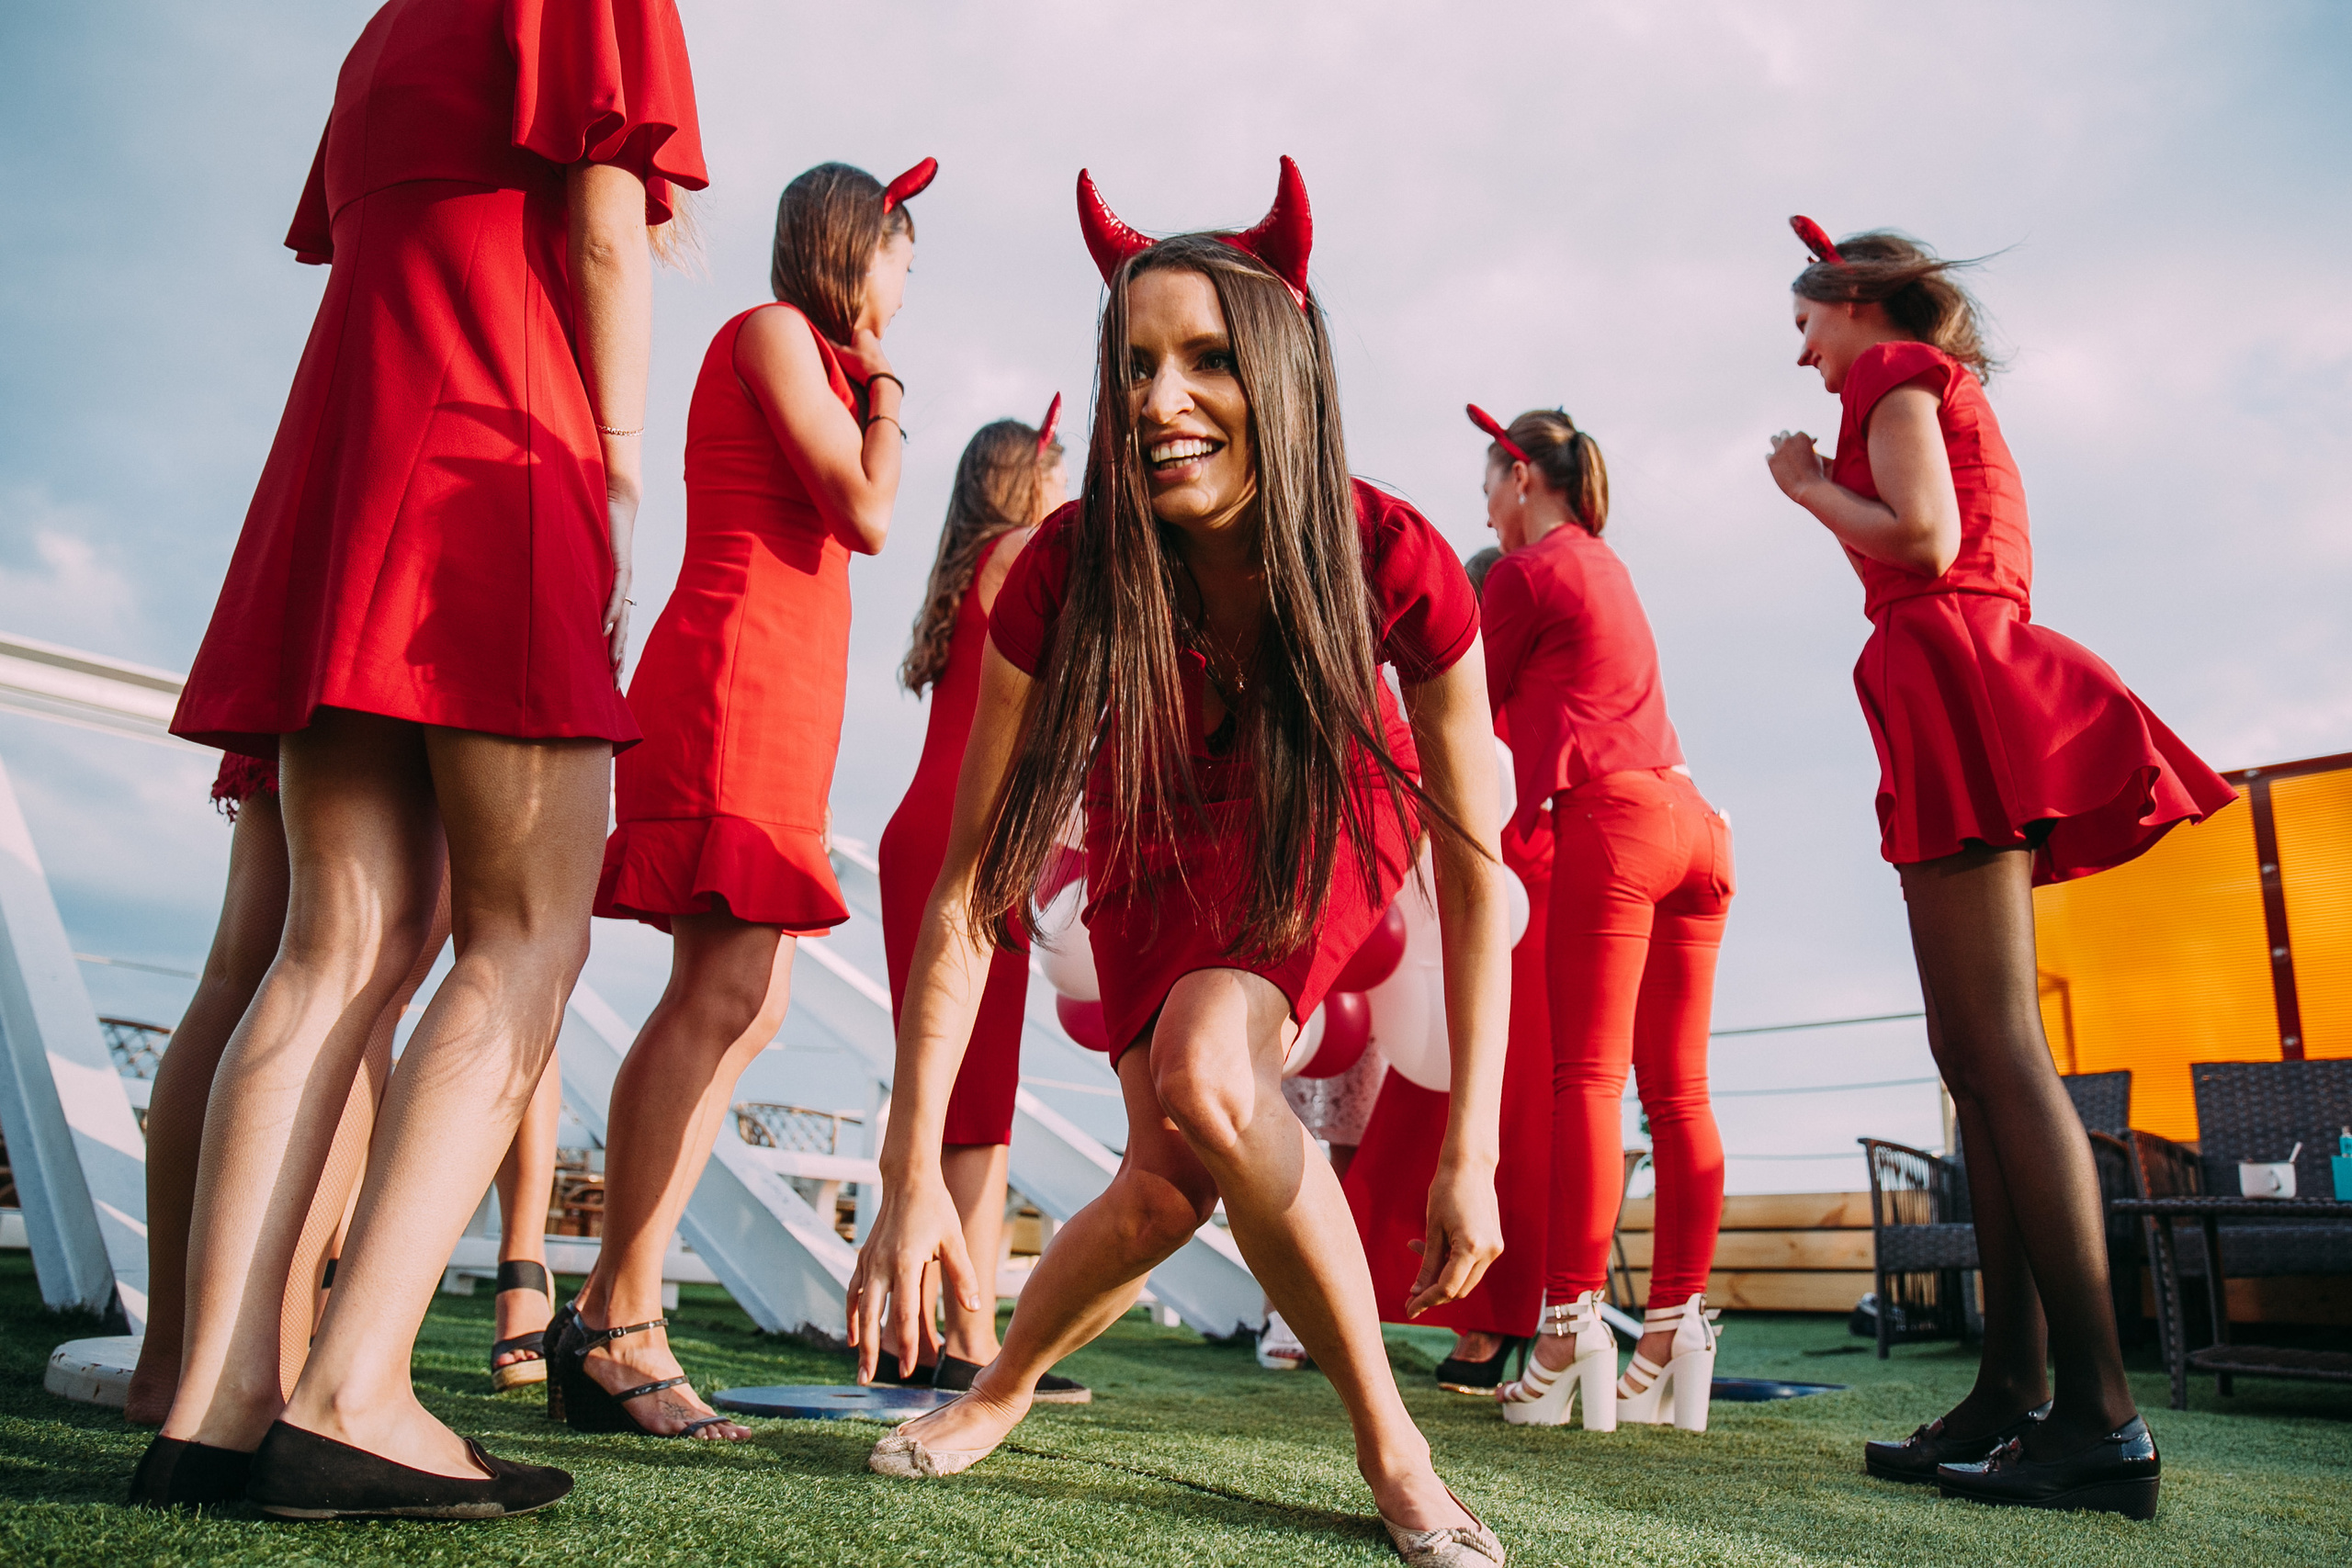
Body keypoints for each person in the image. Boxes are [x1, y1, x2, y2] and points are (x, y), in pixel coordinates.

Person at [851, 159, 1512, 1568]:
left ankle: (1396, 1445)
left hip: (1313, 822)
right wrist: (911, 1165)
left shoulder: (1395, 556)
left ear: (1278, 369)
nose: (1161, 401)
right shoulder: (1063, 568)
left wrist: (1476, 1139)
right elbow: (976, 885)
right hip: (1152, 831)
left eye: (1206, 359)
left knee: (1215, 1071)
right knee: (1163, 1181)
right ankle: (1002, 1386)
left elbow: (1475, 863)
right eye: (1136, 364)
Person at [150, 0, 706, 1518]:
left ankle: (217, 1404)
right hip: (499, 439)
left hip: (350, 456)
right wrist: (626, 472)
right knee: (530, 928)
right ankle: (354, 1393)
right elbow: (603, 226)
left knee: (333, 948)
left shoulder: (381, 32)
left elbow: (365, 237)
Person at [1766, 218, 2234, 1517]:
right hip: (1943, 680)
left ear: (1851, 298)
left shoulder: (1891, 373)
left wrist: (1808, 485)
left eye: (1803, 322)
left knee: (2000, 1049)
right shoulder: (1903, 379)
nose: (1801, 356)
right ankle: (2014, 1386)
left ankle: (2099, 1412)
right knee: (1972, 1056)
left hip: (1959, 674)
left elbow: (1920, 537)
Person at [557, 156, 931, 1440]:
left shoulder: (810, 359)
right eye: (899, 259)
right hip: (732, 674)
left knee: (752, 1002)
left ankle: (617, 1301)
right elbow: (867, 508)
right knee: (717, 990)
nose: (902, 287)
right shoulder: (778, 334)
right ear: (853, 246)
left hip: (786, 697)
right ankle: (615, 1315)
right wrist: (888, 386)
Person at [1470, 407, 1733, 1434]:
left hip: (1615, 823)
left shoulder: (1529, 571)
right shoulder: (1607, 566)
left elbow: (1464, 706)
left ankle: (1565, 1324)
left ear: (1525, 477)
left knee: (1586, 1079)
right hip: (1697, 820)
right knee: (1679, 1095)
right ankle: (1674, 1330)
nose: (1485, 508)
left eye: (1489, 485)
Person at [876, 403, 1091, 1401]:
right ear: (1024, 480)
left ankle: (961, 1327)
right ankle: (970, 1337)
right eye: (1054, 468)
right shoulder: (1022, 552)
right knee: (979, 1107)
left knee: (963, 1098)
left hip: (927, 832)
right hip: (972, 844)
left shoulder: (968, 564)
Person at [1344, 542, 1551, 1397]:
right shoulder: (1475, 666)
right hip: (1467, 881)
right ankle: (1377, 1293)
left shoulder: (1493, 656)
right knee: (1438, 1099)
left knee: (1514, 1104)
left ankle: (1504, 1318)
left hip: (1511, 877)